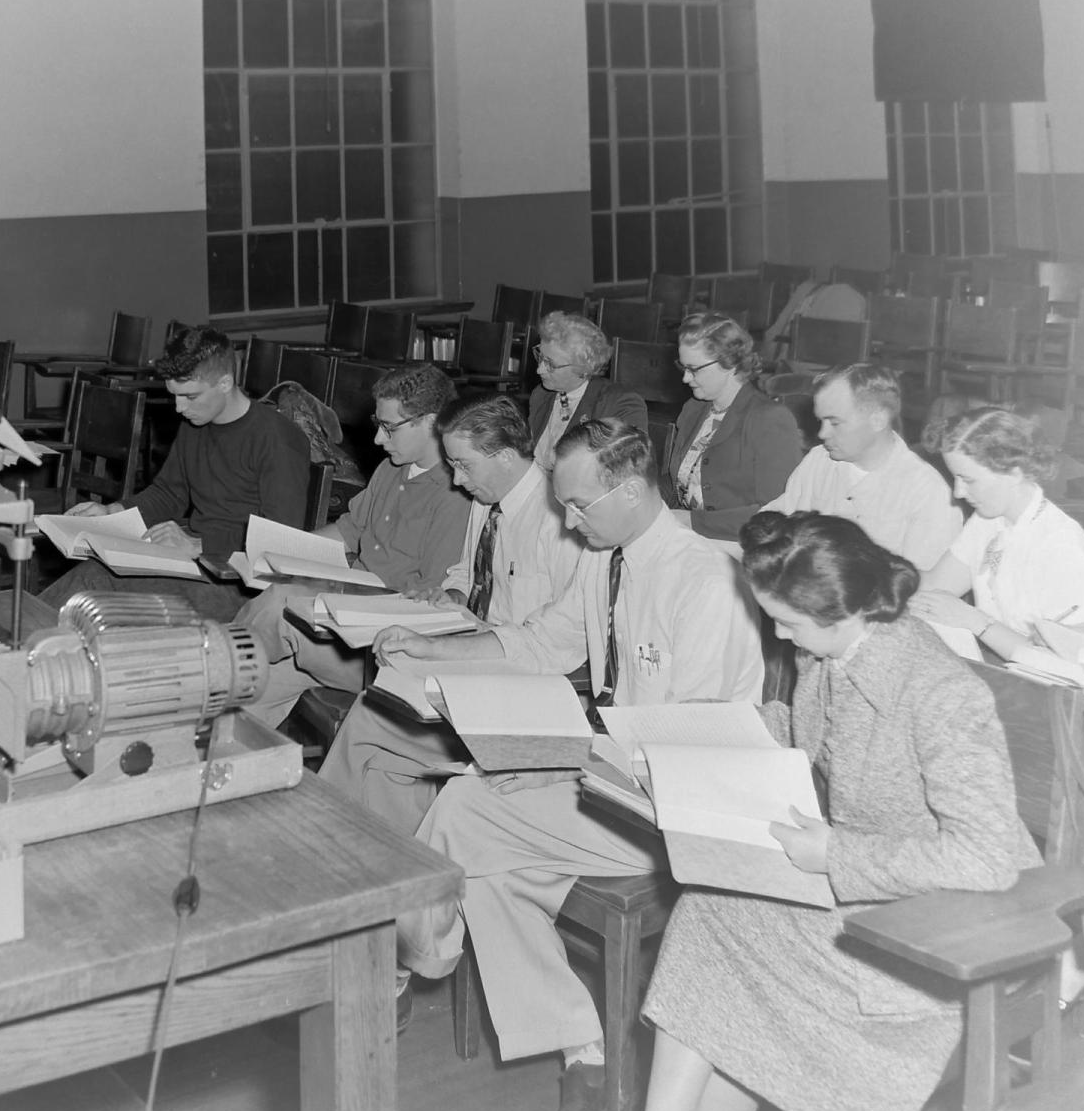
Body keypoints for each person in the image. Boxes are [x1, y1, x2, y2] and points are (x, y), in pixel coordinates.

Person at [384, 419, 763, 1111]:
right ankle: (582, 1051)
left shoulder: (704, 581)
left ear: (630, 489)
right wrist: (443, 652)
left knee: (467, 804)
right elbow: (547, 642)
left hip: (676, 812)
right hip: (613, 780)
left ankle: (409, 957)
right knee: (491, 863)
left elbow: (687, 746)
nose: (566, 520)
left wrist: (561, 763)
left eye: (580, 505)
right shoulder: (607, 553)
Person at [638, 511, 1039, 1111]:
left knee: (711, 925)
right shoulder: (829, 651)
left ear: (843, 610)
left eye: (787, 620)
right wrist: (694, 738)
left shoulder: (939, 690)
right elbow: (809, 736)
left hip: (934, 932)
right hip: (868, 896)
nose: (774, 629)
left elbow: (983, 858)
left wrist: (836, 855)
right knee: (710, 909)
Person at [317, 393, 584, 836]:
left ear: (502, 456)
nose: (456, 481)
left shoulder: (558, 521)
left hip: (529, 675)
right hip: (477, 646)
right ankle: (385, 855)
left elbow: (557, 642)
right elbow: (467, 569)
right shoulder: (488, 498)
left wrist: (446, 648)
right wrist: (455, 593)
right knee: (385, 718)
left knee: (374, 719)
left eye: (463, 465)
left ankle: (333, 840)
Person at [236, 364, 471, 727]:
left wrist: (333, 599)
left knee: (279, 607)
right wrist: (272, 554)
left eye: (389, 427)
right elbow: (348, 531)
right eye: (379, 425)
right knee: (239, 706)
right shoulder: (392, 468)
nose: (378, 439)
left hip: (380, 651)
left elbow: (432, 603)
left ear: (431, 422)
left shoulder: (456, 495)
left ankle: (209, 662)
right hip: (340, 627)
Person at [39, 325, 309, 619]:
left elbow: (281, 538)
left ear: (225, 383)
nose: (179, 408)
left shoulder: (277, 438)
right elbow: (169, 493)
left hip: (238, 581)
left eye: (190, 397)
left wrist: (200, 545)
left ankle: (23, 649)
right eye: (174, 396)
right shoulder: (196, 423)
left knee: (95, 592)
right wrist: (112, 511)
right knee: (92, 574)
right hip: (195, 557)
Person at [912, 406, 1084, 660]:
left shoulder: (1060, 546)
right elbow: (936, 587)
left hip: (1050, 687)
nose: (958, 492)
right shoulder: (988, 520)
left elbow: (1061, 663)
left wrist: (975, 621)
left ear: (1014, 473)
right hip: (1003, 668)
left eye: (968, 480)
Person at [760, 363, 961, 570]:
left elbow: (920, 587)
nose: (822, 434)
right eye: (821, 421)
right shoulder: (819, 460)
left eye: (835, 423)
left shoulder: (927, 492)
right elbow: (777, 518)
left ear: (878, 420)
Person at [666, 311, 804, 540]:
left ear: (729, 363)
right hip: (686, 536)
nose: (685, 379)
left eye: (694, 369)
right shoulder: (694, 409)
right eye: (683, 368)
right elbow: (675, 484)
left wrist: (690, 521)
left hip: (739, 543)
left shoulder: (769, 419)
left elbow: (776, 514)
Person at [528, 311, 647, 472]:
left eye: (550, 364)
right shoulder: (542, 394)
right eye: (540, 357)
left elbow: (625, 471)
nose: (539, 370)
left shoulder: (620, 404)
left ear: (583, 368)